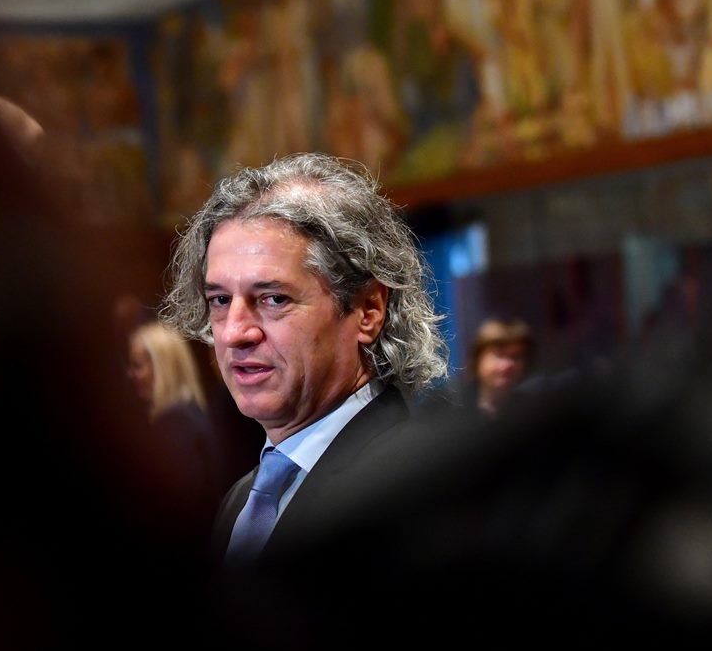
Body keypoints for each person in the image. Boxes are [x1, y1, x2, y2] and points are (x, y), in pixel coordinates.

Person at [161, 152, 448, 567]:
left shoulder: (418, 487)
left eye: (274, 299)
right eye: (220, 300)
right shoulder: (241, 500)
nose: (234, 333)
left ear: (368, 310)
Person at [126, 321, 225, 510]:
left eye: (137, 365)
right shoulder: (190, 412)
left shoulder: (175, 423)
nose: (130, 374)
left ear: (162, 367)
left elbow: (182, 501)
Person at [466, 317, 535, 418]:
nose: (508, 365)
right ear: (478, 359)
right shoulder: (452, 406)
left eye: (516, 357)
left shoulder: (533, 411)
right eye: (499, 355)